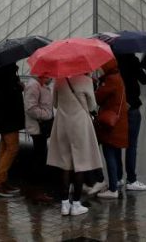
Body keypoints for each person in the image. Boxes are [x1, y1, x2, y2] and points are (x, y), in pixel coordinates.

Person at [47, 72, 101, 217]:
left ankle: (65, 204)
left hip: (63, 124)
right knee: (81, 164)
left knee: (65, 164)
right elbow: (92, 106)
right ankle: (76, 203)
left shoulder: (59, 80)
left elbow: (55, 104)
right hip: (80, 125)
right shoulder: (86, 80)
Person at [94, 59, 129, 198]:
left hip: (110, 125)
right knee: (115, 152)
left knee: (109, 154)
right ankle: (117, 181)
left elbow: (97, 98)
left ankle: (113, 189)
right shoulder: (117, 77)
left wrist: (96, 85)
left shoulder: (110, 80)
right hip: (117, 122)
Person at [0, 63, 25, 196]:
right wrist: (18, 87)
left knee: (4, 148)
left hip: (4, 117)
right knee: (12, 148)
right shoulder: (5, 73)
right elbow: (8, 94)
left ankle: (2, 181)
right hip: (9, 117)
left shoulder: (0, 72)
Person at [117, 53, 146, 191]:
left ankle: (118, 178)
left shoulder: (113, 59)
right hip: (132, 106)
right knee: (132, 145)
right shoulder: (132, 59)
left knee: (116, 144)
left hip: (117, 107)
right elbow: (144, 80)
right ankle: (131, 179)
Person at [24, 71, 54, 198]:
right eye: (48, 74)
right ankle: (35, 190)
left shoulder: (42, 85)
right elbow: (30, 108)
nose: (50, 77)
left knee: (40, 156)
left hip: (41, 127)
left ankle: (34, 189)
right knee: (39, 158)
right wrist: (46, 115)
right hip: (37, 127)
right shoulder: (34, 85)